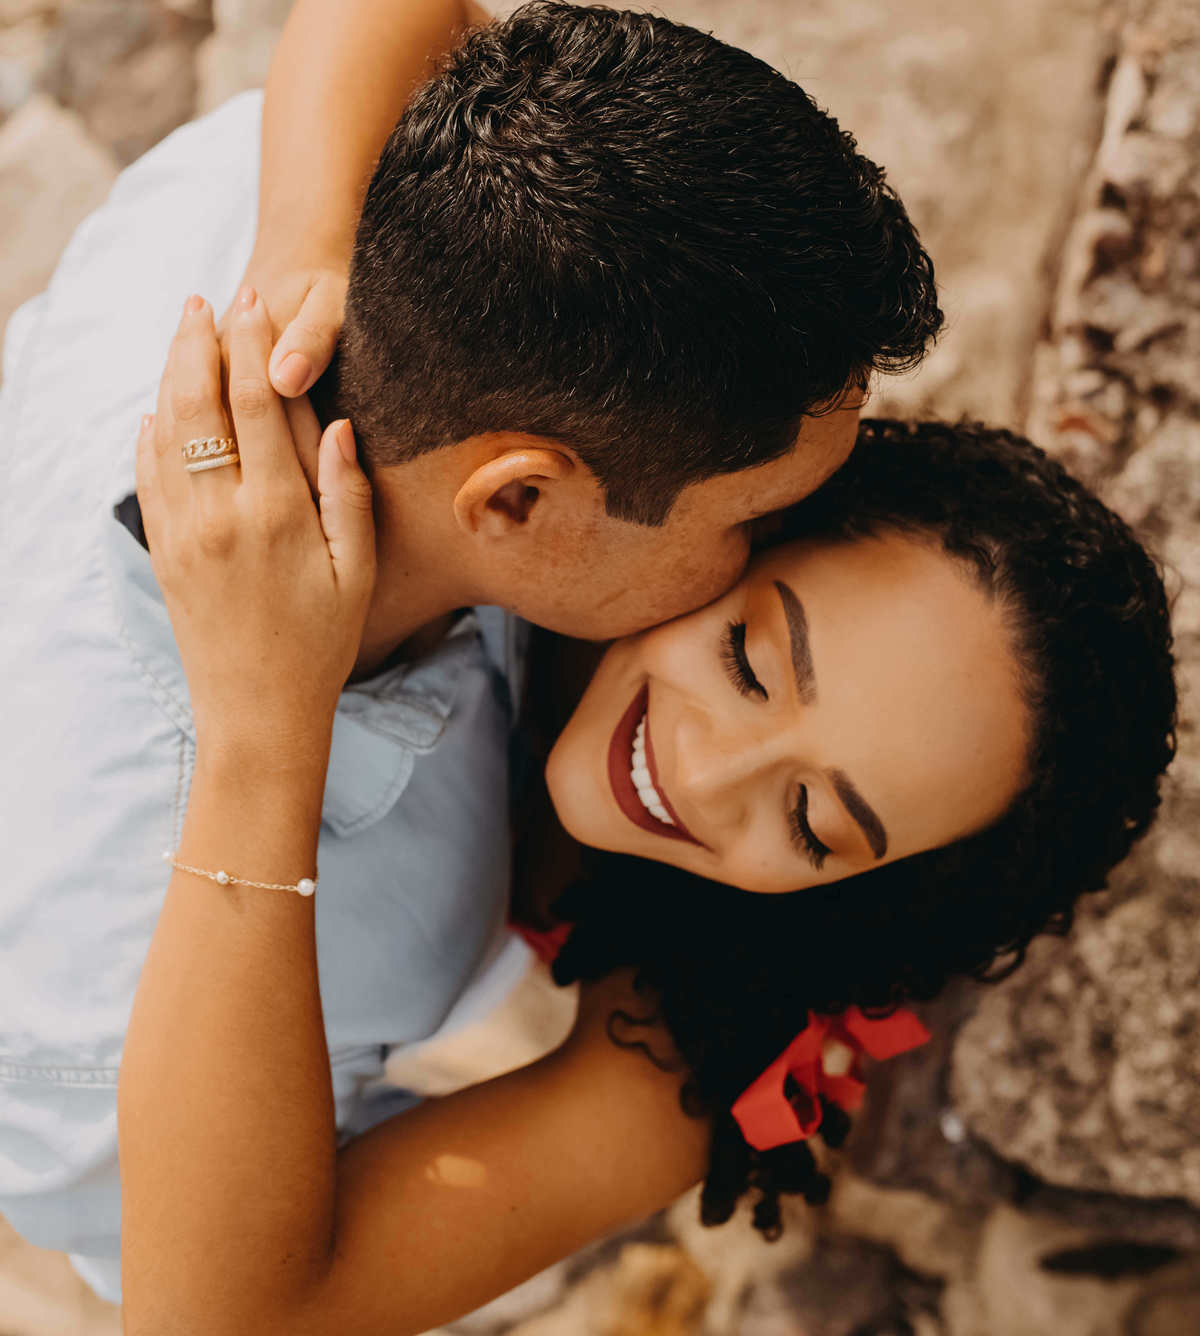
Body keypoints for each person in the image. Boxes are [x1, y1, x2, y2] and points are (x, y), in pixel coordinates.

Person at [0, 0, 940, 1302]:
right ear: (520, 502)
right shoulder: (95, 969)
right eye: (748, 521)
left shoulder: (311, 207)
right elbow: (203, 1311)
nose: (774, 550)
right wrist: (264, 747)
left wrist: (302, 252)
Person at [118, 296, 1176, 1333]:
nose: (706, 777)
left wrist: (262, 728)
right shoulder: (627, 401)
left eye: (812, 821)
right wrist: (306, 267)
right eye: (752, 662)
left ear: (864, 893)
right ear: (759, 522)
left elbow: (213, 1321)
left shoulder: (700, 1030)